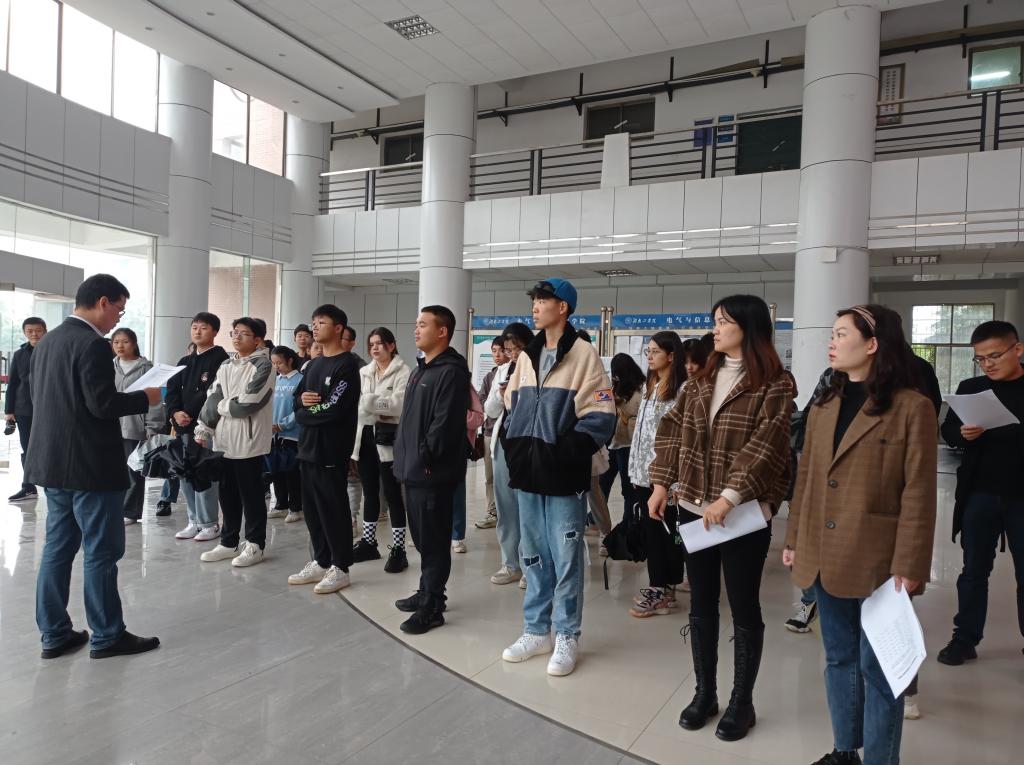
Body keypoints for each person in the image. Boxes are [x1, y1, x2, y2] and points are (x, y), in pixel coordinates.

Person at [785, 305, 936, 765]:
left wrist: (910, 563)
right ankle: (845, 751)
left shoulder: (912, 408)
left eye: (840, 334)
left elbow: (919, 491)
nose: (831, 342)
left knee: (880, 669)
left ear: (872, 345)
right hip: (824, 552)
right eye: (832, 334)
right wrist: (794, 538)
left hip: (878, 560)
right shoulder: (824, 405)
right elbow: (807, 478)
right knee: (839, 658)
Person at [648, 294, 795, 741]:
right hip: (695, 508)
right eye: (714, 321)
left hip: (743, 515)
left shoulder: (775, 383)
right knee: (701, 603)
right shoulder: (700, 380)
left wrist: (730, 497)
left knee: (744, 605)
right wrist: (661, 482)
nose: (715, 328)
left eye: (724, 321)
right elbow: (672, 430)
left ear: (749, 328)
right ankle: (705, 693)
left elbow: (768, 445)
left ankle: (741, 702)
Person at [29, 273, 161, 659]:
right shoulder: (92, 345)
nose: (118, 318)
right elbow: (102, 405)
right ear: (102, 302)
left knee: (57, 548)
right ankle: (107, 635)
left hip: (52, 463)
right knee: (101, 552)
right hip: (89, 466)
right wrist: (146, 397)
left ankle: (54, 634)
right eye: (118, 309)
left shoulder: (48, 341)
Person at [500, 279, 616, 677]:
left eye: (543, 300)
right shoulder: (527, 356)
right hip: (528, 472)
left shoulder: (584, 354)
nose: (535, 307)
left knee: (566, 557)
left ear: (563, 307)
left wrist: (565, 452)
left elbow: (601, 416)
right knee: (532, 554)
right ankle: (536, 630)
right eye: (534, 300)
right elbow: (511, 404)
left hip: (563, 476)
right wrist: (515, 448)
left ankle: (567, 633)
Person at [937, 320, 1024, 667]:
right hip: (980, 494)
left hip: (1021, 496)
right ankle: (965, 639)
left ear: (1018, 349)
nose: (988, 364)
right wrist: (962, 433)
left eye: (995, 356)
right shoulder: (971, 388)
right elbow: (947, 431)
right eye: (981, 358)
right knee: (973, 570)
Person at [393, 305, 472, 635]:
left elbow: (444, 425)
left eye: (423, 324)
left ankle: (433, 606)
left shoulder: (451, 372)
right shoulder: (421, 370)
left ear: (442, 331)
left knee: (435, 540)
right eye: (416, 323)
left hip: (431, 472)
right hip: (411, 469)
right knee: (424, 539)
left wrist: (425, 457)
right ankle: (427, 590)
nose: (416, 329)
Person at [287, 304, 360, 594]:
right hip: (307, 447)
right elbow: (297, 401)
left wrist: (305, 413)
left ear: (338, 328)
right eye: (313, 323)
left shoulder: (347, 365)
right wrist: (303, 408)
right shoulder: (314, 365)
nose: (314, 327)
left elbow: (334, 407)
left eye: (321, 322)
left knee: (333, 508)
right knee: (313, 509)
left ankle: (341, 567)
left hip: (331, 449)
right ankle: (321, 559)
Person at [196, 317, 276, 567]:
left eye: (244, 333)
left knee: (251, 496)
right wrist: (204, 429)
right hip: (223, 440)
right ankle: (228, 542)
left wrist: (223, 405)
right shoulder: (226, 365)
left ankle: (255, 544)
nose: (237, 337)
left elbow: (250, 402)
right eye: (234, 332)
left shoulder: (264, 365)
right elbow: (212, 397)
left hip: (249, 441)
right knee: (227, 494)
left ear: (258, 339)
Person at [626, 331, 688, 618]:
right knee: (653, 533)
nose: (649, 356)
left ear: (672, 356)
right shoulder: (652, 385)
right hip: (644, 474)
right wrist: (635, 471)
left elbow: (679, 436)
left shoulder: (682, 390)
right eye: (647, 351)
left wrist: (674, 480)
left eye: (655, 352)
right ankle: (662, 588)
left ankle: (661, 588)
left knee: (666, 534)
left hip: (666, 477)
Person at [351, 327, 411, 573]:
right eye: (371, 344)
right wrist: (377, 406)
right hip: (365, 436)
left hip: (388, 438)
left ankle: (399, 549)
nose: (374, 348)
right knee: (370, 492)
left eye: (379, 343)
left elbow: (399, 405)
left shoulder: (403, 371)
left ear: (391, 345)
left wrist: (369, 402)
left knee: (393, 494)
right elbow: (357, 406)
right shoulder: (364, 372)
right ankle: (369, 543)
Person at [165, 314, 230, 541]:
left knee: (204, 473)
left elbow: (214, 394)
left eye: (203, 328)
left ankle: (209, 523)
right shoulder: (185, 360)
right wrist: (175, 412)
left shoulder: (221, 359)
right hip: (183, 426)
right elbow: (172, 390)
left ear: (214, 332)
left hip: (207, 426)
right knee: (185, 472)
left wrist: (192, 415)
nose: (198, 332)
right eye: (194, 327)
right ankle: (193, 520)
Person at [486, 322, 534, 587]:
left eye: (518, 348)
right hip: (504, 444)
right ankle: (510, 563)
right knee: (505, 507)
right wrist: (501, 395)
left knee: (526, 507)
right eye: (508, 349)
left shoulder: (537, 369)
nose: (513, 354)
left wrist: (515, 398)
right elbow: (490, 411)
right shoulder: (503, 371)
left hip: (527, 446)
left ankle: (529, 565)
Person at [111, 328, 164, 525]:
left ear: (133, 344)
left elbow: (155, 399)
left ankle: (130, 511)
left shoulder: (146, 368)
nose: (120, 346)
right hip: (112, 425)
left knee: (133, 470)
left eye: (125, 342)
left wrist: (152, 426)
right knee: (114, 469)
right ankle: (117, 508)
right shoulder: (109, 366)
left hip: (134, 426)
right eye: (116, 342)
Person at [6, 316, 46, 502]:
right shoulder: (19, 354)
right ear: (24, 333)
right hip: (24, 409)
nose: (34, 334)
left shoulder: (52, 350)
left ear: (45, 331)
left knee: (50, 446)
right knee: (27, 448)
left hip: (49, 407)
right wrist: (9, 411)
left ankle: (55, 485)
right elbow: (13, 383)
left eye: (38, 330)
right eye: (30, 331)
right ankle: (28, 487)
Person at [600, 353, 644, 525]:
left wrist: (621, 404)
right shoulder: (615, 387)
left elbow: (638, 415)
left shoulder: (641, 389)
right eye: (614, 374)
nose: (615, 377)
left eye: (618, 373)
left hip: (628, 445)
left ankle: (628, 524)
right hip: (612, 443)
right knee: (602, 484)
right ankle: (595, 519)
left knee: (628, 489)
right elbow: (600, 401)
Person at [266, 345, 303, 524]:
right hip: (273, 434)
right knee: (276, 471)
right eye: (273, 363)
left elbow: (301, 409)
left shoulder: (300, 380)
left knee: (292, 473)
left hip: (292, 434)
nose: (276, 367)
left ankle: (296, 508)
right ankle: (281, 505)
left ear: (290, 360)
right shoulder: (275, 381)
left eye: (279, 363)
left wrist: (282, 424)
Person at [475, 337, 507, 530]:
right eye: (494, 351)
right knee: (490, 476)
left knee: (506, 476)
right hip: (490, 431)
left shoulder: (516, 372)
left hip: (507, 432)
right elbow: (481, 399)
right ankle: (491, 511)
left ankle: (507, 512)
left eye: (501, 350)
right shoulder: (490, 376)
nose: (497, 355)